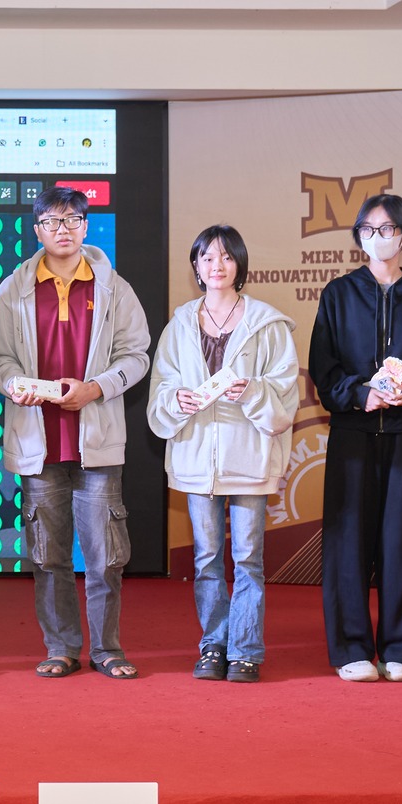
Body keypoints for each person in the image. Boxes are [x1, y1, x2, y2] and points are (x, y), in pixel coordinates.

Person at [0, 185, 152, 679]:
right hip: (38, 444)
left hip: (96, 442)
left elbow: (137, 356)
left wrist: (96, 388)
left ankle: (107, 649)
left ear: (86, 226)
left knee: (105, 558)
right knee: (48, 556)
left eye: (72, 220)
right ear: (37, 230)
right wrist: (14, 384)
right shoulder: (13, 289)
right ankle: (60, 647)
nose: (62, 230)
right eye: (51, 221)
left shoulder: (114, 287)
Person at [308, 194, 402, 683]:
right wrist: (359, 395)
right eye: (369, 229)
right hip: (352, 436)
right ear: (358, 237)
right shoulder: (338, 294)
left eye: (389, 228)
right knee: (347, 543)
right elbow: (324, 370)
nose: (380, 237)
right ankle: (352, 649)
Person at [148, 226, 300, 684]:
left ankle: (246, 650)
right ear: (196, 266)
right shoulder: (178, 325)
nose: (217, 265)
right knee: (206, 559)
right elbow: (161, 389)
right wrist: (176, 400)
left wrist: (251, 390)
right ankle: (213, 645)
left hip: (249, 458)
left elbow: (285, 396)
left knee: (248, 559)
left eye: (227, 257)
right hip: (197, 459)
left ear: (240, 264)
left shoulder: (268, 324)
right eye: (208, 257)